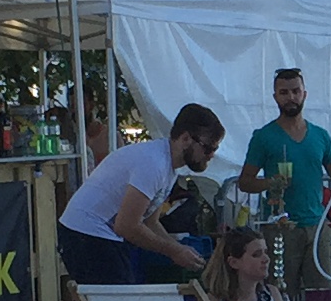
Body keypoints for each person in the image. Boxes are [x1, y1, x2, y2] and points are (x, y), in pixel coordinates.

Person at [236, 67, 331, 301]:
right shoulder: (263, 137)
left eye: (295, 91)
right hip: (280, 228)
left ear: (305, 94)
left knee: (323, 298)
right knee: (278, 296)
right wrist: (272, 183)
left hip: (317, 226)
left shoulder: (320, 136)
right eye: (284, 92)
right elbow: (245, 182)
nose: (290, 97)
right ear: (275, 97)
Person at [59, 103, 224, 289]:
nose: (211, 155)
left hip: (91, 231)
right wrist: (174, 251)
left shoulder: (167, 166)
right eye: (208, 148)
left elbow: (150, 222)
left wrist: (180, 250)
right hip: (86, 232)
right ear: (185, 139)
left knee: (124, 298)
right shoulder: (154, 164)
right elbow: (126, 226)